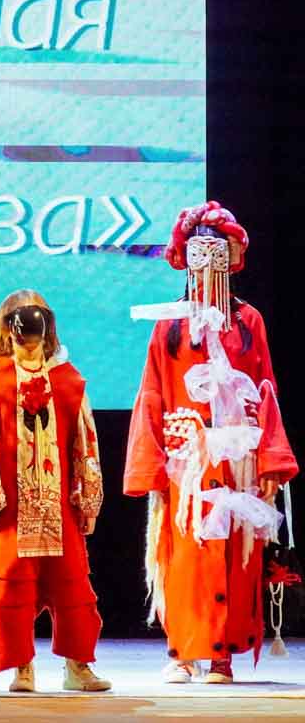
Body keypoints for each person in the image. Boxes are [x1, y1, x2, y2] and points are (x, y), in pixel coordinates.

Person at [125, 201, 297, 683]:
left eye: (216, 254)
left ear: (230, 259)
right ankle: (184, 651)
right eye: (198, 255)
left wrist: (270, 461)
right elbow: (152, 390)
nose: (207, 267)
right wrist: (151, 463)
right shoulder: (170, 324)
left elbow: (265, 387)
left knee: (234, 554)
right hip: (187, 458)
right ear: (186, 260)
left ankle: (222, 655)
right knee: (185, 554)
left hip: (239, 457)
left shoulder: (249, 321)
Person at [0, 291, 110, 692]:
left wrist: (88, 499)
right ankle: (22, 667)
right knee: (11, 583)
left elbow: (85, 441)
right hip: (10, 506)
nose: (28, 341)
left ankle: (78, 666)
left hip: (59, 506)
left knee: (72, 583)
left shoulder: (68, 378)